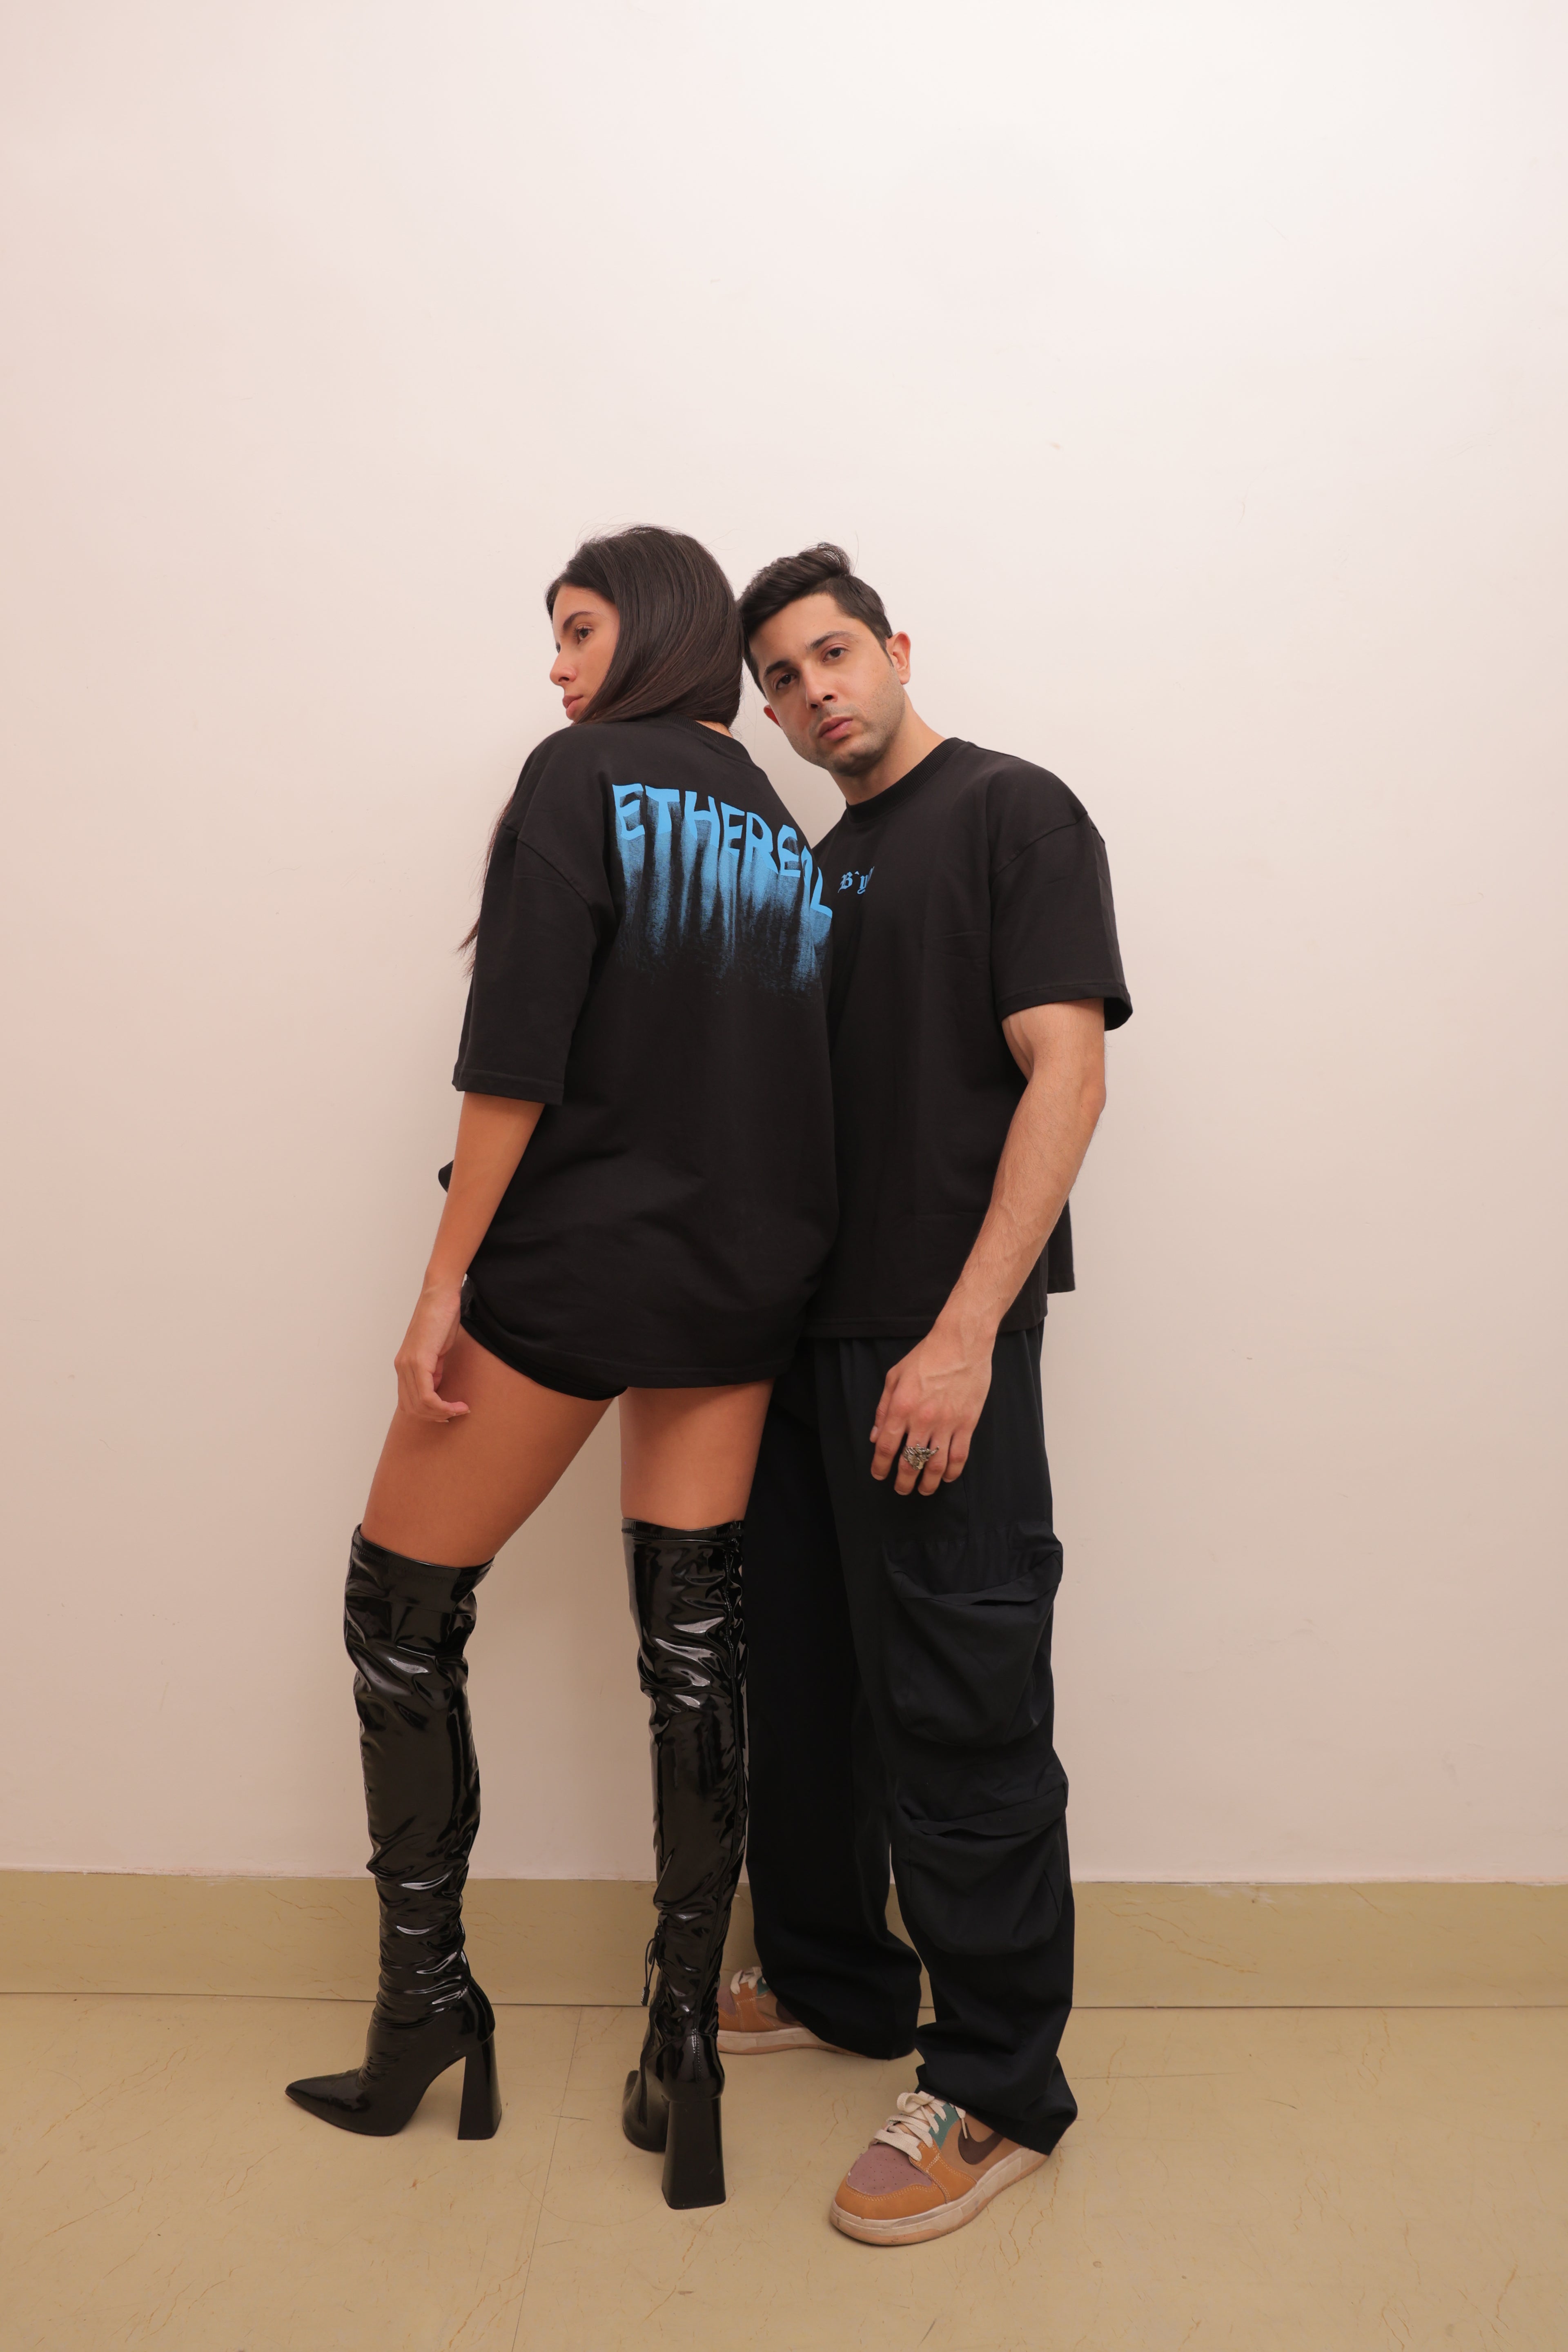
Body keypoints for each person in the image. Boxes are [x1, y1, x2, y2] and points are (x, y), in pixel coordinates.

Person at [284, 526, 835, 2212]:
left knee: (399, 1614)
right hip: (747, 1278)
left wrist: (442, 1282)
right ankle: (683, 2047)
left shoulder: (577, 777)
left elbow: (516, 1051)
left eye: (580, 628)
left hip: (580, 1267)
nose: (558, 664)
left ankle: (427, 2008)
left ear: (652, 629)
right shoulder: (779, 829)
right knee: (695, 1647)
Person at [725, 543, 1131, 2245]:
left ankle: (996, 2084)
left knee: (961, 1705)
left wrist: (965, 1334)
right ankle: (836, 1978)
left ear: (895, 647)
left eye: (834, 655)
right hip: (803, 1352)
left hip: (933, 1340)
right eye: (782, 679)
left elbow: (1068, 1071)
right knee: (810, 1689)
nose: (815, 692)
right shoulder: (821, 869)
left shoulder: (1012, 812)